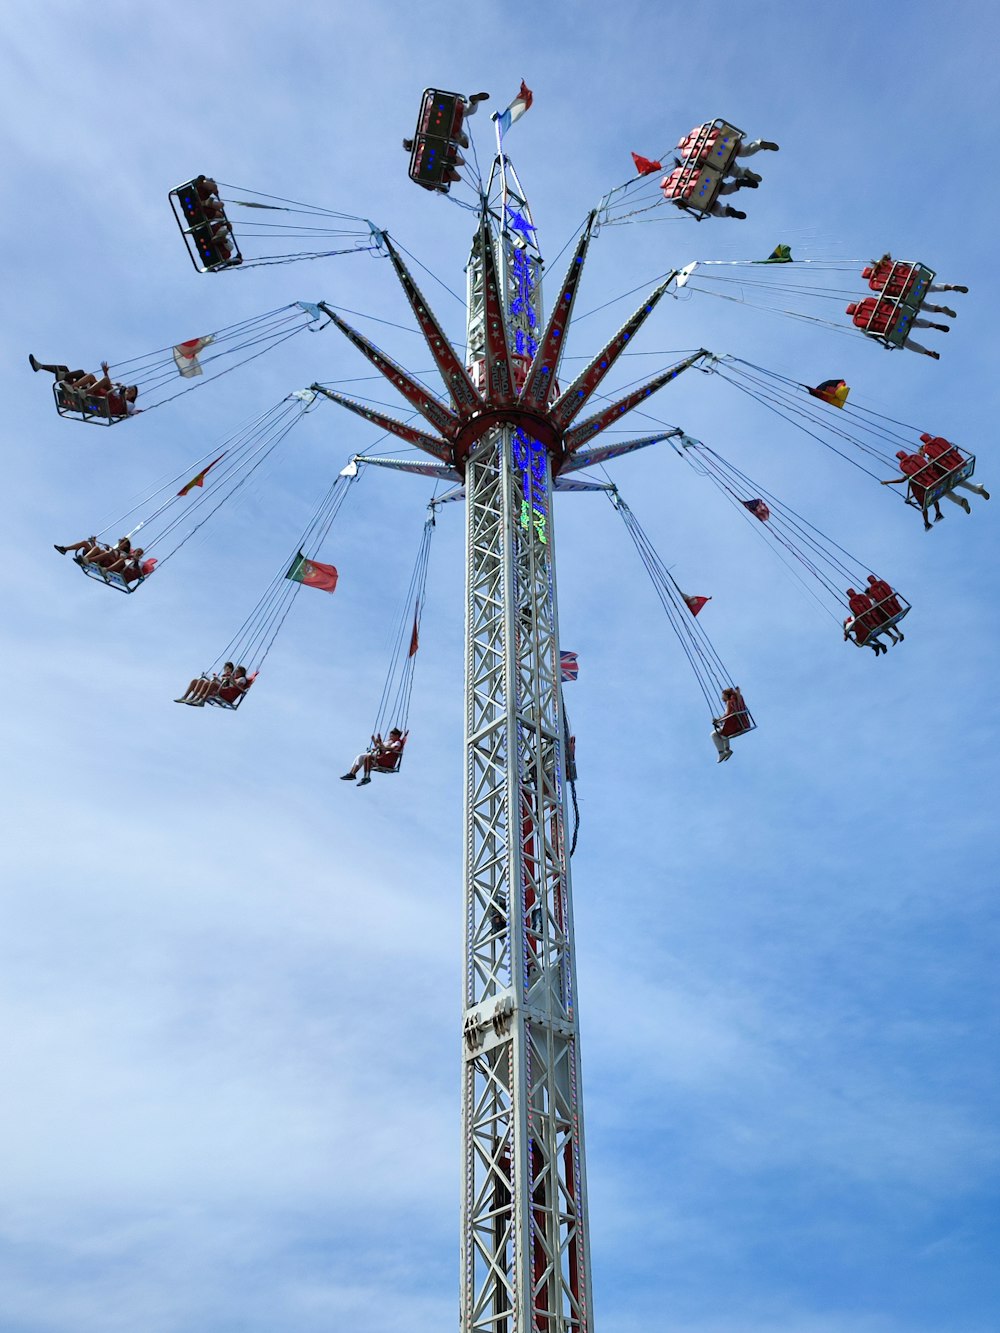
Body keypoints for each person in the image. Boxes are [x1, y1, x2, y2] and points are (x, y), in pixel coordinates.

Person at [881, 450, 951, 529]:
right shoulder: (916, 460)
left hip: (919, 490)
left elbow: (901, 480)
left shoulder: (908, 470)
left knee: (923, 506)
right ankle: (938, 513)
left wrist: (887, 482)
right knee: (933, 497)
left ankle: (927, 523)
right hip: (929, 482)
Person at [918, 434, 990, 505]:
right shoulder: (939, 442)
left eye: (922, 454)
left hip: (945, 475)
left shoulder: (929, 452)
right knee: (959, 481)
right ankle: (977, 489)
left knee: (945, 492)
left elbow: (933, 467)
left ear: (922, 450)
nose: (923, 456)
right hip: (952, 467)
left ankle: (961, 501)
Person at [341, 728, 407, 785]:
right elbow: (381, 748)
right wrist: (377, 743)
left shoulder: (397, 742)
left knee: (368, 757)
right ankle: (353, 774)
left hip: (387, 761)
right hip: (382, 758)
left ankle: (366, 777)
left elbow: (392, 749)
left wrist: (381, 745)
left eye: (392, 736)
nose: (390, 737)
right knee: (361, 756)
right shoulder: (390, 742)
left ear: (397, 736)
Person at [711, 687, 750, 762]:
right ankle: (727, 750)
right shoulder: (737, 700)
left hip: (735, 726)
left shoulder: (730, 702)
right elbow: (729, 715)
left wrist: (717, 721)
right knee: (723, 731)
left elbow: (727, 716)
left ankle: (721, 752)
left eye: (723, 695)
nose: (722, 697)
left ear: (727, 695)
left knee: (714, 734)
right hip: (743, 724)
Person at [845, 588, 888, 654]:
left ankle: (876, 645)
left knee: (860, 639)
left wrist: (847, 635)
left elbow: (857, 612)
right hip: (870, 620)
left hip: (866, 623)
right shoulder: (862, 596)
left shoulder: (853, 604)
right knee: (866, 634)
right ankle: (877, 645)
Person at [175, 663, 241, 706]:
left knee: (210, 683)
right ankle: (188, 697)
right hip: (218, 687)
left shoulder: (232, 677)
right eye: (225, 668)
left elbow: (230, 686)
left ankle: (200, 700)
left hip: (224, 690)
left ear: (231, 669)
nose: (226, 670)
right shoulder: (224, 676)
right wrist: (216, 679)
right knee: (196, 681)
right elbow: (220, 683)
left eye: (228, 668)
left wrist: (228, 678)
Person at [865, 575, 905, 644]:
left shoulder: (874, 598)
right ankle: (894, 636)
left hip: (880, 612)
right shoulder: (872, 599)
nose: (867, 597)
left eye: (867, 595)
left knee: (886, 623)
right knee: (884, 625)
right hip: (879, 613)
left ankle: (896, 634)